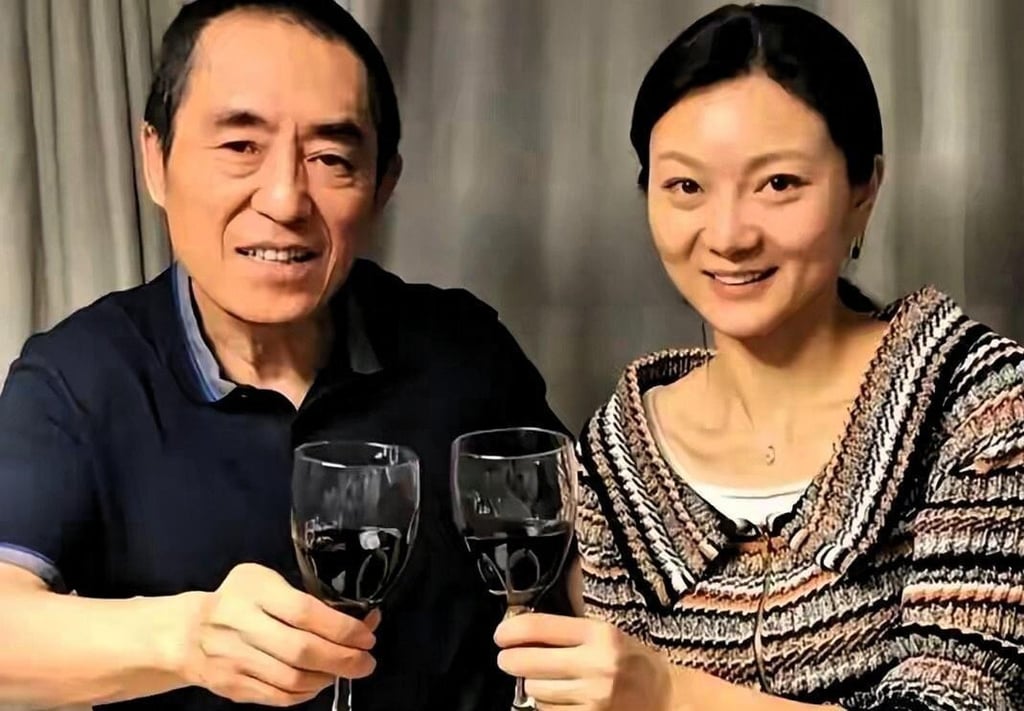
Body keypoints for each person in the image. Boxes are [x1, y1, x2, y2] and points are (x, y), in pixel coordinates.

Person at [0, 1, 563, 710]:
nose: (285, 197)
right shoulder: (79, 379)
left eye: (330, 158)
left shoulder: (462, 350)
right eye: (240, 146)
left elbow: (578, 559)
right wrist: (184, 636)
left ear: (383, 184)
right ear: (155, 159)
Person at [493, 4, 1024, 710]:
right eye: (685, 186)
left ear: (864, 189)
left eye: (779, 184)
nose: (729, 234)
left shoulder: (979, 405)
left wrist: (664, 691)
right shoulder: (613, 464)